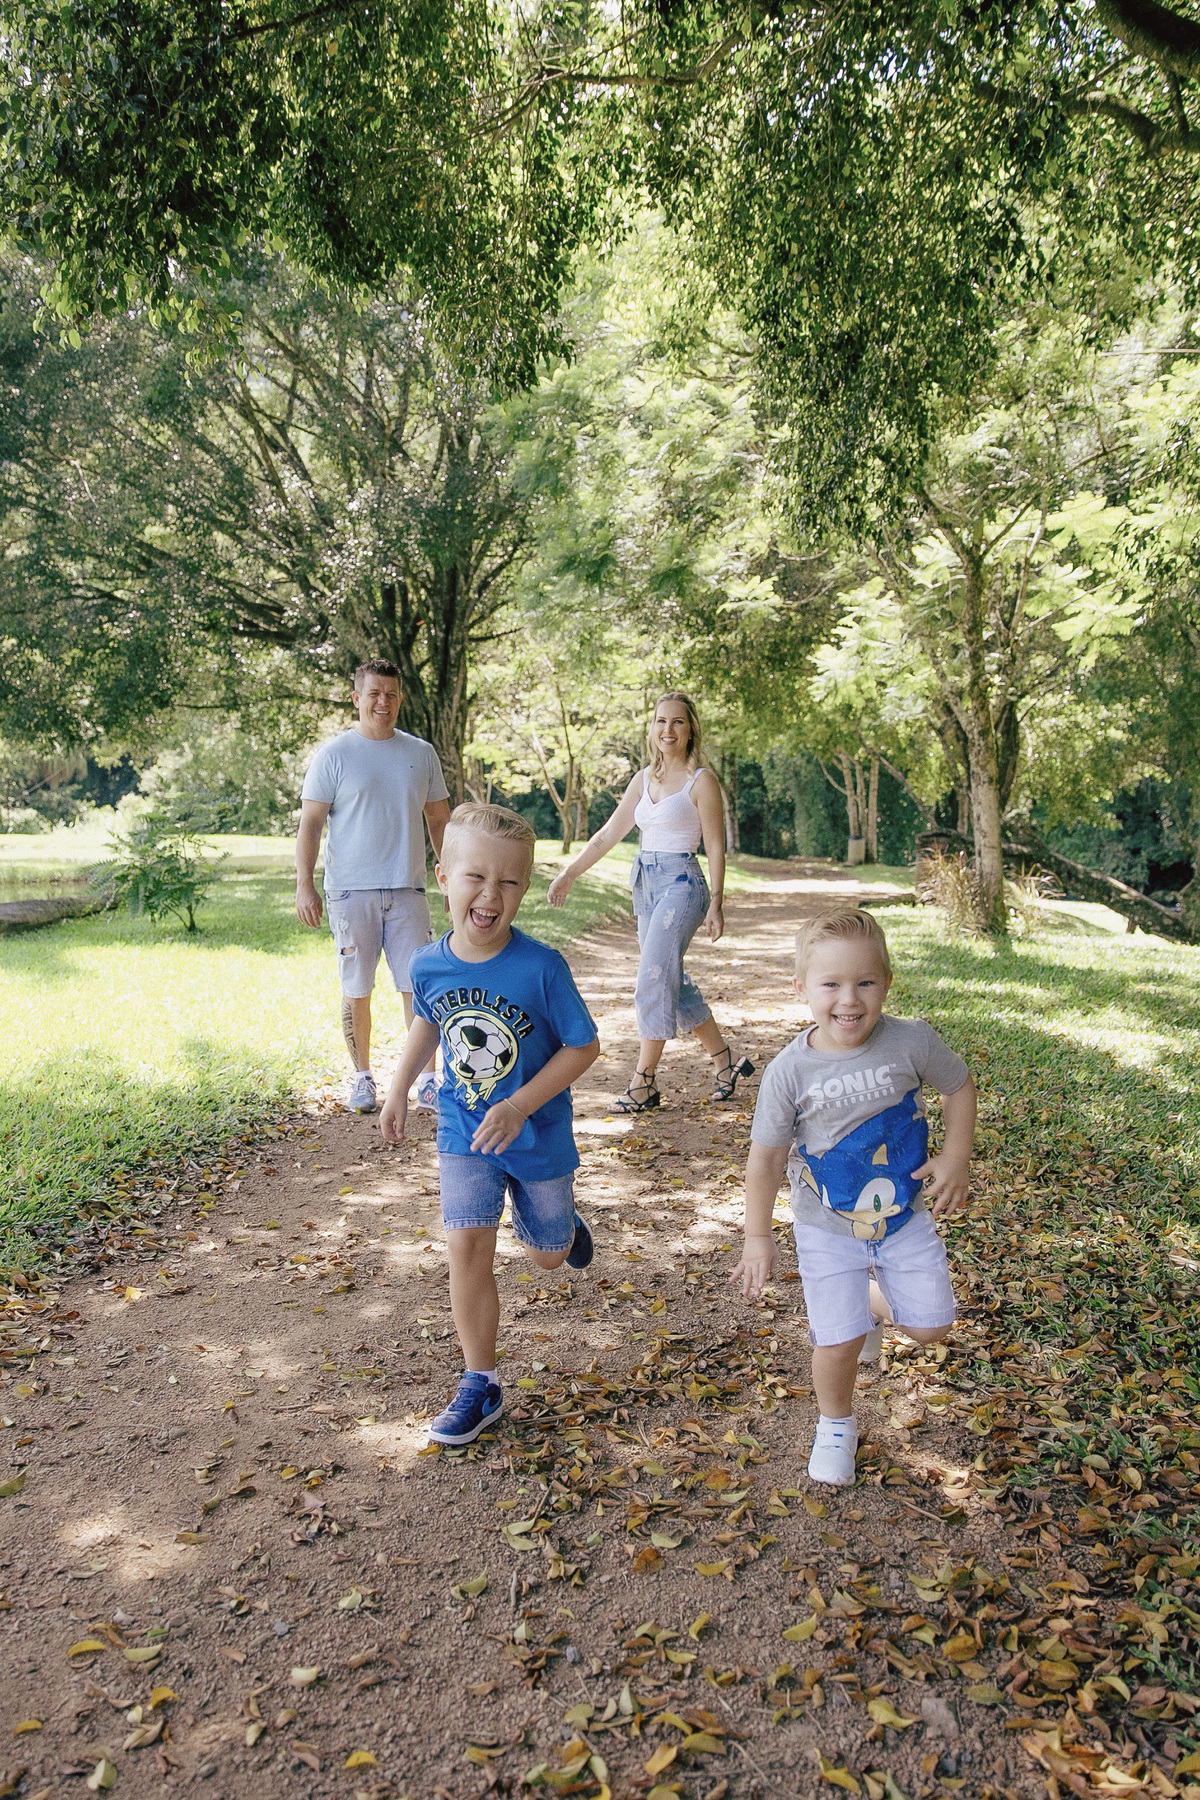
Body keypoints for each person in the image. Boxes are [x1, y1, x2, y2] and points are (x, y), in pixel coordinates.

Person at [379, 803, 600, 1446]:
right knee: (467, 1246)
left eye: (508, 882)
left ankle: (561, 1227)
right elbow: (428, 1021)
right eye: (476, 877)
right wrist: (399, 1087)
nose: (490, 895)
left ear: (524, 888)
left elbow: (583, 1047)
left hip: (536, 1133)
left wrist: (520, 1105)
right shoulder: (428, 964)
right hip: (465, 1127)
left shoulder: (541, 967)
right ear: (444, 878)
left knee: (548, 1258)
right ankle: (482, 1382)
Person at [732, 907, 976, 1486]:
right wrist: (758, 1235)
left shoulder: (911, 1041)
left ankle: (868, 1302)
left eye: (865, 982)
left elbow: (959, 1085)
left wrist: (956, 1157)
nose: (849, 999)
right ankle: (836, 1424)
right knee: (837, 1341)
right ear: (801, 988)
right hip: (827, 1227)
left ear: (886, 983)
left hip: (903, 1217)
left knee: (933, 1327)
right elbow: (765, 1160)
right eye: (831, 984)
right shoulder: (789, 1072)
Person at [546, 691, 753, 1111]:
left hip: (683, 883)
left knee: (653, 975)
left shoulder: (701, 781)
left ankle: (644, 1082)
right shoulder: (643, 779)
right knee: (669, 976)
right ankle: (726, 1061)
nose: (668, 730)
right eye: (661, 721)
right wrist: (569, 873)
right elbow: (609, 833)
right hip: (646, 882)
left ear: (691, 729)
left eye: (678, 722)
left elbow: (715, 846)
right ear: (652, 727)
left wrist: (717, 901)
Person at [296, 658, 451, 1115]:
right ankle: (362, 1077)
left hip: (408, 889)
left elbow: (439, 820)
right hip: (349, 892)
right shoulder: (334, 754)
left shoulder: (421, 753)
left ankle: (427, 1081)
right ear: (356, 698)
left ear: (400, 698)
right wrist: (304, 884)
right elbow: (311, 823)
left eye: (391, 694)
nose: (383, 702)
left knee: (417, 987)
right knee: (357, 987)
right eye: (374, 693)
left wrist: (453, 878)